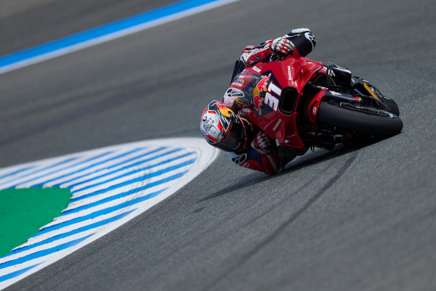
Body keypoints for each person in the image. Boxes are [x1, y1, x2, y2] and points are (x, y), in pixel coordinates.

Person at [200, 28, 351, 175]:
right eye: (226, 144)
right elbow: (270, 168)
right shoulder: (238, 155)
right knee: (299, 147)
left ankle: (325, 72)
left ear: (232, 117)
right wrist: (264, 151)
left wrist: (272, 45)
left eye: (231, 134)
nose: (233, 141)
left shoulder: (233, 97)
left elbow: (245, 56)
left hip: (277, 91)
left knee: (306, 38)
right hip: (287, 135)